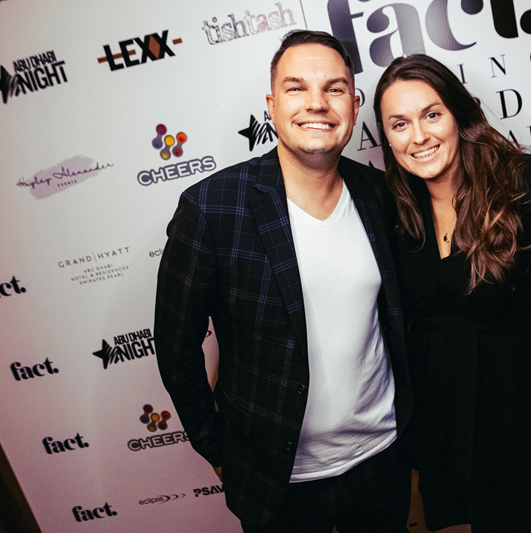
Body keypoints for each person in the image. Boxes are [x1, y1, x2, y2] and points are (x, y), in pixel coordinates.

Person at [154, 30, 412, 533]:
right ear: (272, 106)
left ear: (355, 105)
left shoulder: (380, 194)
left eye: (335, 88)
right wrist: (215, 446)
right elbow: (175, 347)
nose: (317, 103)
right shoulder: (212, 208)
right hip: (277, 480)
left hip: (381, 458)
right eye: (297, 88)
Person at [373, 54, 531, 532]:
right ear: (387, 138)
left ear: (458, 115)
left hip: (525, 401)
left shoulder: (526, 181)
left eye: (431, 114)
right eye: (399, 124)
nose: (418, 137)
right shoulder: (395, 207)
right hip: (446, 410)